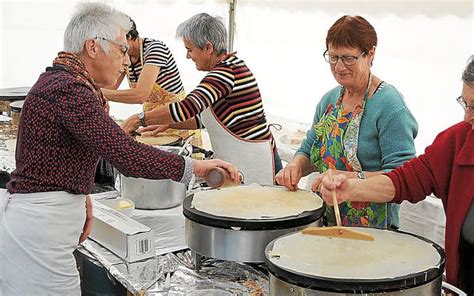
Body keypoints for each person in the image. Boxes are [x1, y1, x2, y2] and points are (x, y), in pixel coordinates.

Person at [0, 3, 238, 295]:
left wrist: (81, 194)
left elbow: (58, 158)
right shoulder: (68, 90)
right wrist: (195, 168)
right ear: (93, 47)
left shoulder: (61, 80)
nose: (127, 61)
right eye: (122, 50)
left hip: (40, 226)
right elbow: (126, 154)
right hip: (38, 233)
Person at [319, 55, 474, 293]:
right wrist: (349, 188)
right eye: (465, 103)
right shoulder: (458, 141)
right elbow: (406, 180)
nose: (467, 116)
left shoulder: (389, 102)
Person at [276, 15, 418, 229]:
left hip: (372, 228)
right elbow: (309, 149)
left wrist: (346, 177)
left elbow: (403, 175)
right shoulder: (330, 101)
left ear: (370, 54)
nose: (339, 67)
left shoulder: (389, 105)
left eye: (348, 58)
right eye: (333, 57)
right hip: (326, 220)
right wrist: (295, 166)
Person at [122, 13, 283, 185]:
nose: (187, 56)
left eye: (190, 50)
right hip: (240, 159)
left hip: (255, 161)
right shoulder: (228, 67)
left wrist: (139, 119)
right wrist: (168, 124)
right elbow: (206, 120)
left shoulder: (225, 73)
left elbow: (187, 107)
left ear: (208, 48)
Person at [101, 17, 201, 144]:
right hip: (153, 122)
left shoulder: (155, 49)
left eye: (118, 43)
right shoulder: (127, 58)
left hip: (177, 119)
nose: (116, 49)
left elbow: (140, 95)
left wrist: (97, 91)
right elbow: (110, 88)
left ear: (130, 37)